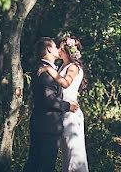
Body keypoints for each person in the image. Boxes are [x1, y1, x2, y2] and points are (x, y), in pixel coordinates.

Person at [23, 37, 79, 172]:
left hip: (43, 124)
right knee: (44, 166)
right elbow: (49, 99)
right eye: (55, 47)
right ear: (48, 49)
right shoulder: (45, 72)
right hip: (47, 126)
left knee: (34, 164)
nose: (58, 50)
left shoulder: (49, 69)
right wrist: (68, 106)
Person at [38, 35, 89, 172]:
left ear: (67, 51)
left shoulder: (73, 67)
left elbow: (66, 83)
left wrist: (50, 70)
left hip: (71, 114)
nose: (59, 50)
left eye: (61, 48)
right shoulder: (62, 66)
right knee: (65, 156)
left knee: (74, 155)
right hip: (62, 113)